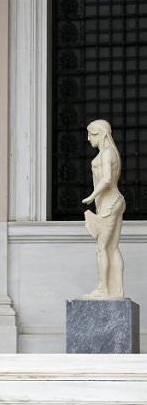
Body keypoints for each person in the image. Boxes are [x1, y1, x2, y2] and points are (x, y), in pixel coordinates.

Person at [82, 119, 125, 298]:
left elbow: (107, 179)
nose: (88, 138)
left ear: (102, 134)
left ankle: (103, 288)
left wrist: (92, 196)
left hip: (109, 204)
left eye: (91, 134)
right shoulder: (112, 152)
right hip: (116, 201)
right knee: (112, 248)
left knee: (102, 248)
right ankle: (118, 290)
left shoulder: (107, 153)